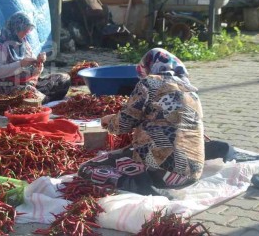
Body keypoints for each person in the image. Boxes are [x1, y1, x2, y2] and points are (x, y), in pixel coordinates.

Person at [78, 48, 204, 196]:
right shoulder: (192, 91)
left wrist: (110, 120)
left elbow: (122, 125)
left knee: (87, 168)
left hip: (162, 172)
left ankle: (143, 188)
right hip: (191, 174)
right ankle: (148, 181)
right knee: (134, 152)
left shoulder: (150, 82)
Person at [0, 11, 70, 103]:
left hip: (26, 82)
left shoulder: (23, 42)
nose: (27, 32)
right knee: (27, 91)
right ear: (15, 28)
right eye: (25, 29)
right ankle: (43, 100)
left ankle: (40, 100)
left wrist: (39, 63)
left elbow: (34, 70)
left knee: (63, 79)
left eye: (29, 29)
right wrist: (20, 64)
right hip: (4, 86)